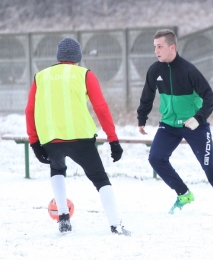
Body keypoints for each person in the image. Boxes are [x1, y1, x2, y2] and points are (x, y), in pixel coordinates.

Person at [25, 37, 131, 235]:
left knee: (57, 170)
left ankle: (63, 218)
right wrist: (113, 139)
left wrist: (34, 142)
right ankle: (115, 225)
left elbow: (29, 110)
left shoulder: (40, 76)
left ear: (58, 56)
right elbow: (101, 107)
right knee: (100, 179)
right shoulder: (84, 74)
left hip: (51, 138)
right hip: (80, 137)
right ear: (78, 57)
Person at [137, 29, 213, 217]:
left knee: (210, 166)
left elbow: (209, 97)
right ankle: (184, 194)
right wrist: (141, 118)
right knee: (155, 158)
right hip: (168, 125)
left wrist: (198, 118)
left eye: (160, 47)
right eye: (154, 47)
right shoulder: (154, 70)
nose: (156, 51)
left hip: (194, 125)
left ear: (172, 47)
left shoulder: (189, 70)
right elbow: (147, 95)